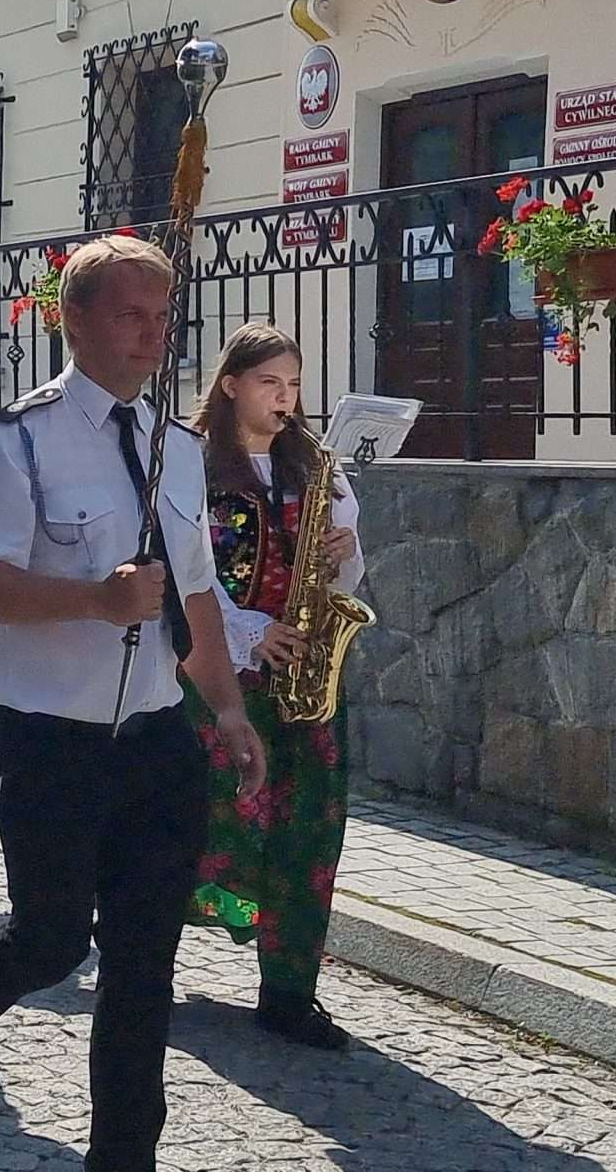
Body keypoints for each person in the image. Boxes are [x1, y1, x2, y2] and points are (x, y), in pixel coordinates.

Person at [0, 235, 267, 1172]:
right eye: (132, 315)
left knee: (144, 969)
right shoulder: (18, 442)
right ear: (76, 320)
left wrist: (226, 708)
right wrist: (95, 600)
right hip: (50, 739)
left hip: (157, 741)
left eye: (162, 317)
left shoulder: (180, 449)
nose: (153, 335)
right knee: (51, 940)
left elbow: (196, 594)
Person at [182, 322, 366, 1051]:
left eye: (293, 384)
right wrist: (248, 631)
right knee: (201, 818)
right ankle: (143, 957)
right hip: (222, 672)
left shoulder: (316, 466)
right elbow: (188, 571)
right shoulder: (193, 465)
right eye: (270, 383)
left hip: (307, 673)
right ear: (231, 385)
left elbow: (345, 575)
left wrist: (344, 550)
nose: (286, 397)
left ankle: (289, 991)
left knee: (308, 824)